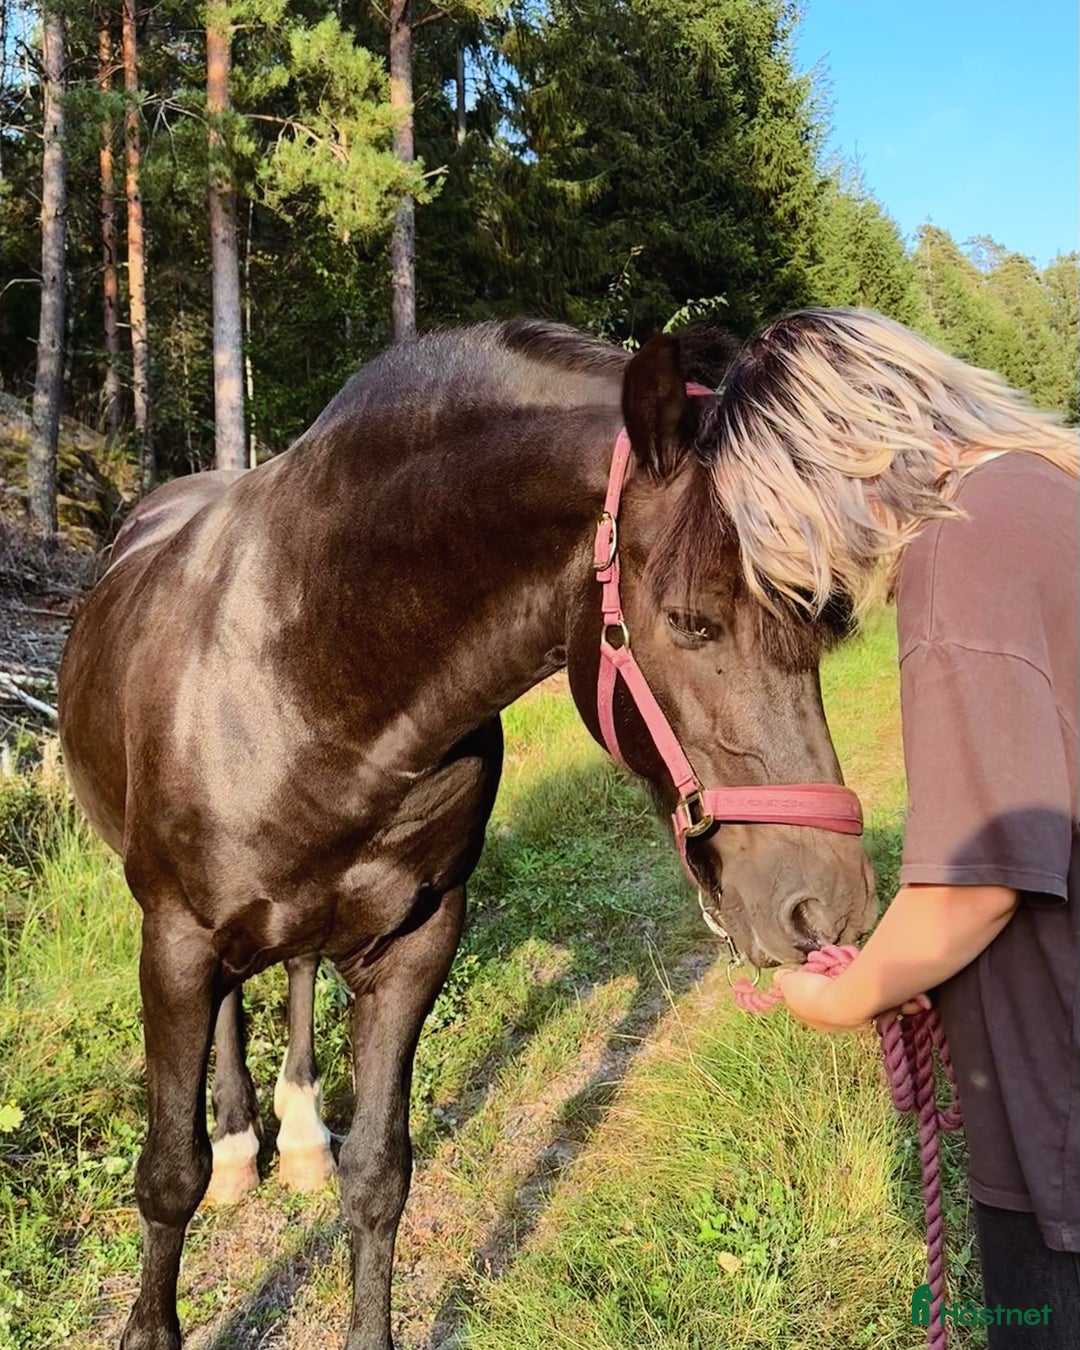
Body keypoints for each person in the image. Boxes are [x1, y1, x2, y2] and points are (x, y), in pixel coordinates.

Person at [709, 307, 1078, 1347]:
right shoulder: (1047, 497)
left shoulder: (963, 551)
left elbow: (977, 884)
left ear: (822, 460)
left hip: (1059, 1105)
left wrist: (851, 993)